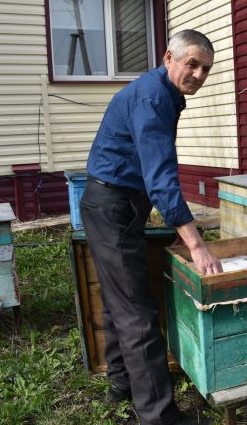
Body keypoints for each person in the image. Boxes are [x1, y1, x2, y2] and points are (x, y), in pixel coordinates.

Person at [79, 29, 222, 425]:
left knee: (117, 300)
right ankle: (159, 416)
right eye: (191, 63)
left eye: (205, 69)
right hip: (114, 204)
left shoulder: (162, 93)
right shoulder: (153, 96)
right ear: (168, 57)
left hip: (110, 201)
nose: (197, 73)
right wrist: (196, 244)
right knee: (138, 313)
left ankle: (122, 383)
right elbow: (160, 179)